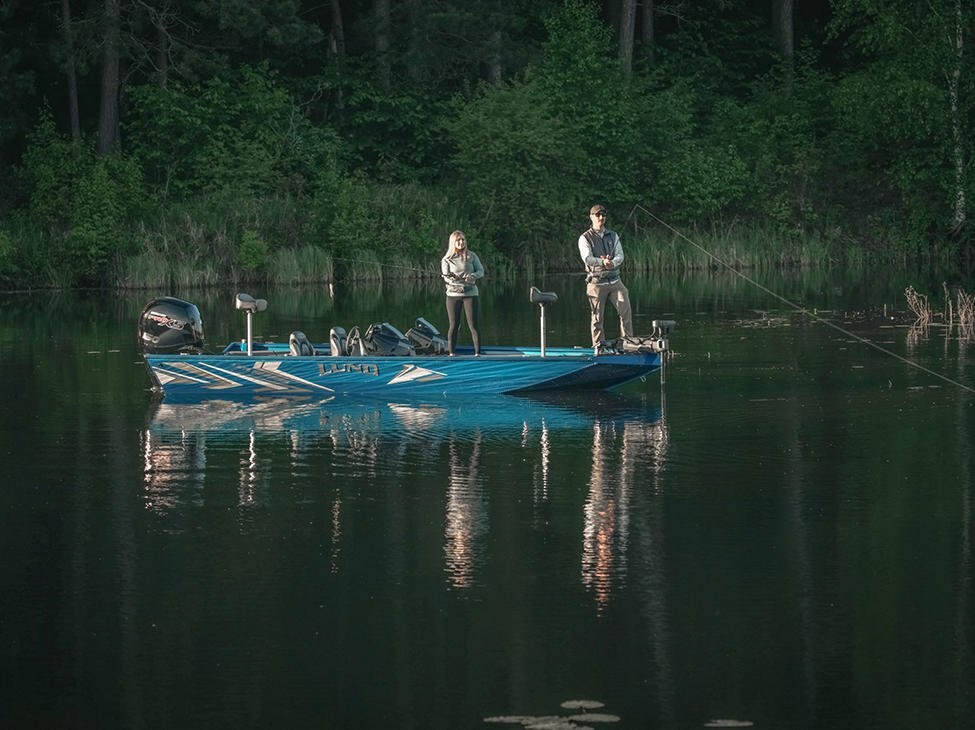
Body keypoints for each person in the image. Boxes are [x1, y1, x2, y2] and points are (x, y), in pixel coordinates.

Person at [578, 204, 633, 353]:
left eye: (603, 215)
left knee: (625, 311)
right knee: (597, 319)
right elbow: (587, 258)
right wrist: (602, 262)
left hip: (615, 281)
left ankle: (627, 344)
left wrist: (612, 263)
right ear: (591, 217)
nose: (601, 218)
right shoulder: (585, 238)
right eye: (597, 215)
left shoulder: (613, 235)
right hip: (596, 283)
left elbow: (620, 255)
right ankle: (599, 347)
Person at [441, 230, 485, 355]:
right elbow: (446, 277)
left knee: (473, 326)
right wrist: (452, 278)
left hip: (470, 294)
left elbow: (481, 271)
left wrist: (473, 276)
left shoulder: (472, 256)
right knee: (454, 325)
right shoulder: (446, 260)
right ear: (453, 242)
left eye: (463, 240)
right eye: (458, 240)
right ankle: (452, 353)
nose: (461, 242)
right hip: (453, 296)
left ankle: (478, 354)